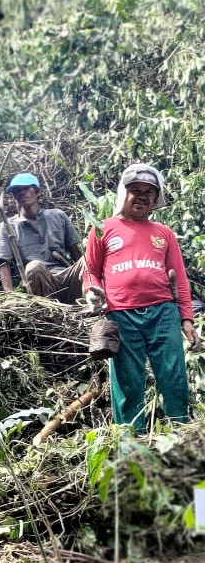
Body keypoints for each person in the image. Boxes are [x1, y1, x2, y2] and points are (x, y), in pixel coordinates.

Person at [85, 164, 200, 431]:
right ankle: (131, 443)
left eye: (149, 192)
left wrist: (186, 319)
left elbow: (180, 279)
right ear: (123, 193)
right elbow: (90, 272)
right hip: (121, 314)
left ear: (155, 199)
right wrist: (92, 293)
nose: (142, 196)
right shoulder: (103, 229)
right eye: (135, 190)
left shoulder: (164, 233)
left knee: (174, 377)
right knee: (127, 382)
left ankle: (180, 434)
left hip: (163, 313)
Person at [0, 173, 84, 302]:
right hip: (38, 282)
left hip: (66, 277)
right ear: (14, 196)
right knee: (34, 267)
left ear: (38, 191)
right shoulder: (7, 226)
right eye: (17, 190)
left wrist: (87, 270)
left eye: (26, 188)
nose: (22, 192)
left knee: (88, 260)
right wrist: (9, 296)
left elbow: (76, 251)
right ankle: (50, 306)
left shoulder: (58, 216)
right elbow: (3, 264)